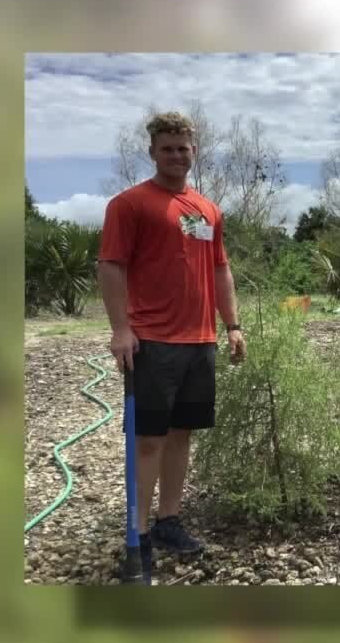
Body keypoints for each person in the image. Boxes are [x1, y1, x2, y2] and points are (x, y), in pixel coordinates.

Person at [97, 111, 247, 573]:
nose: (177, 155)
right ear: (153, 152)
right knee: (148, 441)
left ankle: (169, 520)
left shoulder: (208, 211)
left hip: (199, 340)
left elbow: (220, 269)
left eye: (184, 148)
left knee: (181, 436)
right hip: (153, 342)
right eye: (168, 148)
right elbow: (110, 266)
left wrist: (233, 325)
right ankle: (137, 534)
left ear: (194, 151)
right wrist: (121, 329)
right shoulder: (130, 205)